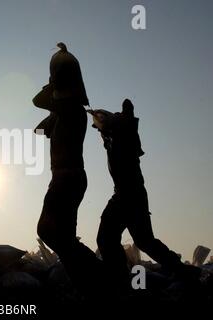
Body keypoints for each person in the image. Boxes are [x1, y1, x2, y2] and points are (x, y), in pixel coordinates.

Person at [90, 99, 201, 293]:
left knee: (107, 238)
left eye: (100, 126)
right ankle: (183, 271)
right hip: (132, 194)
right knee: (144, 241)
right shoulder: (113, 138)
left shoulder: (123, 136)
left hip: (127, 195)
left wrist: (126, 115)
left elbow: (128, 129)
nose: (99, 130)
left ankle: (119, 280)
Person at [33, 43, 103, 297]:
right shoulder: (63, 113)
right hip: (70, 178)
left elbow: (36, 100)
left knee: (47, 231)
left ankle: (99, 273)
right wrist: (54, 111)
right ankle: (90, 288)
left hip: (66, 178)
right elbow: (39, 130)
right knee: (65, 239)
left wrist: (52, 88)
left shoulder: (72, 108)